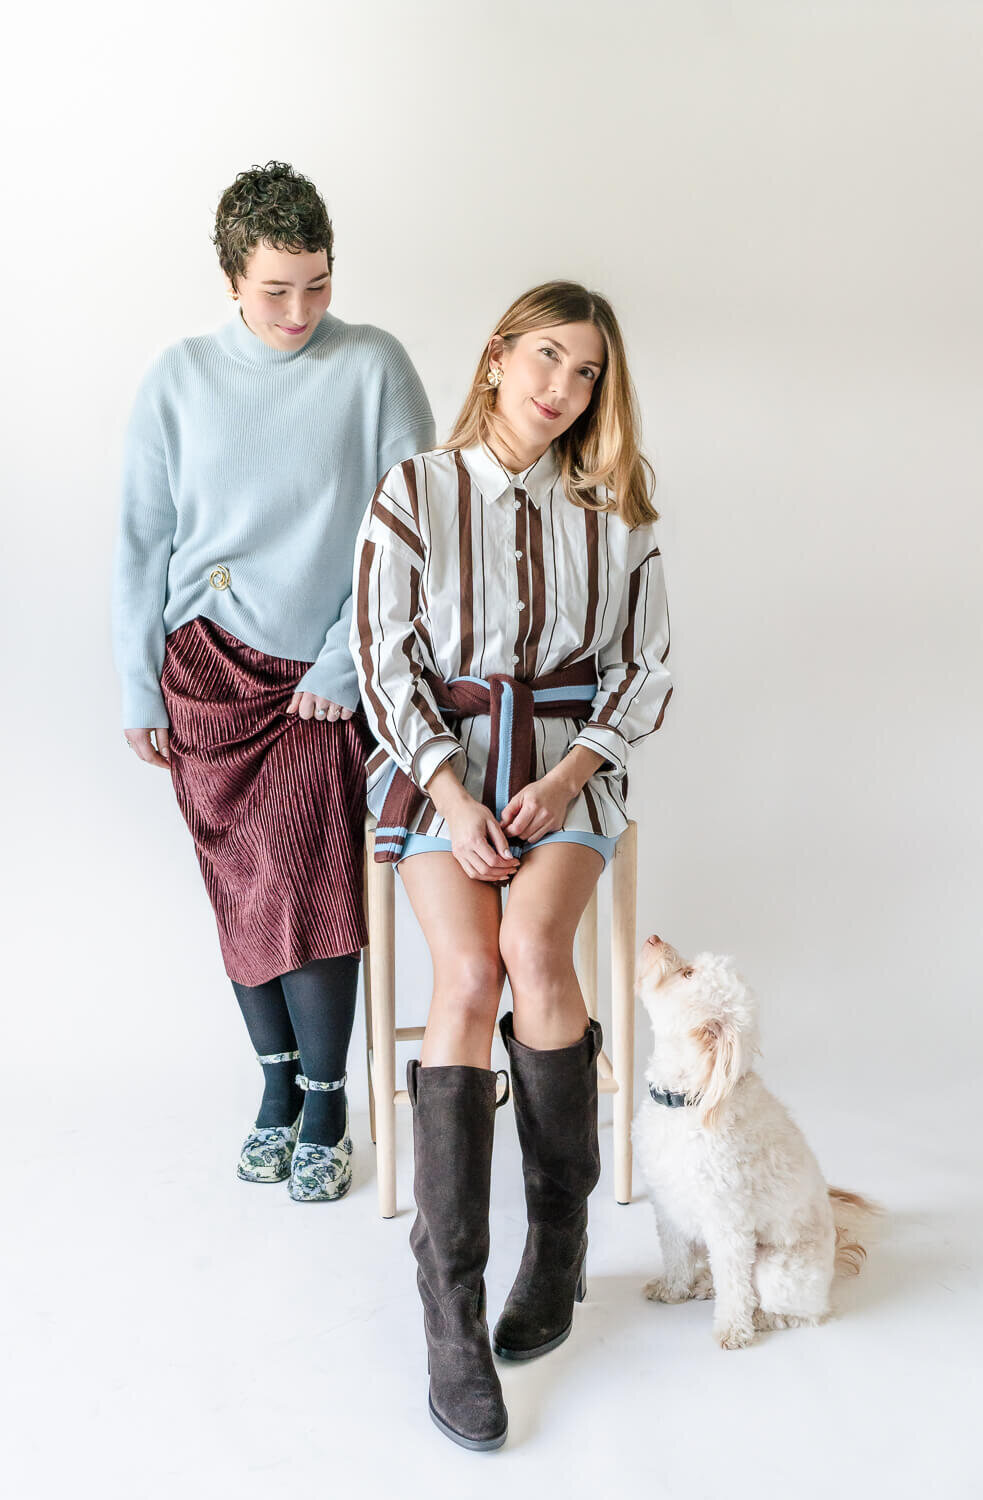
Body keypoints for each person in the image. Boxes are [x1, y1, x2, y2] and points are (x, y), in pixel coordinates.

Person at [351, 280, 672, 1448]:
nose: (562, 389)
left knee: (535, 947)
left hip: (564, 764)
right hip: (435, 764)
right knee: (466, 977)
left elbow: (644, 666)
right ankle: (449, 1303)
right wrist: (449, 785)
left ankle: (557, 1242)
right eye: (546, 358)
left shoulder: (614, 509)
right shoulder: (414, 493)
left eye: (586, 373)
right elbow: (382, 663)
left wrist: (567, 774)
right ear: (495, 358)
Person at [113, 161, 434, 1201]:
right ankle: (277, 1086)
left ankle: (331, 1099)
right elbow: (140, 540)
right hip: (202, 666)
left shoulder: (374, 367)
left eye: (318, 284)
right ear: (230, 281)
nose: (299, 310)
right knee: (239, 887)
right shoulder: (176, 379)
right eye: (274, 290)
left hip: (317, 682)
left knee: (307, 878)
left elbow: (408, 534)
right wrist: (136, 685)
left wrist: (346, 660)